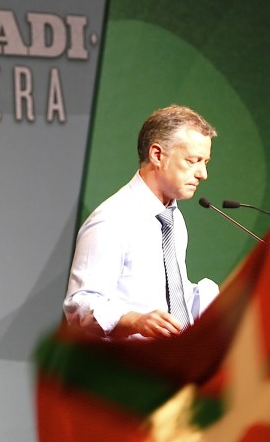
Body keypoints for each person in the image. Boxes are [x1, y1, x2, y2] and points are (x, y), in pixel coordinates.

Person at [63, 105, 219, 339]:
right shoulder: (111, 220)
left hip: (171, 358)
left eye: (205, 162)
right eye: (192, 161)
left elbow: (170, 296)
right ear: (157, 155)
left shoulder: (172, 217)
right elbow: (80, 305)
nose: (202, 174)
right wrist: (134, 321)